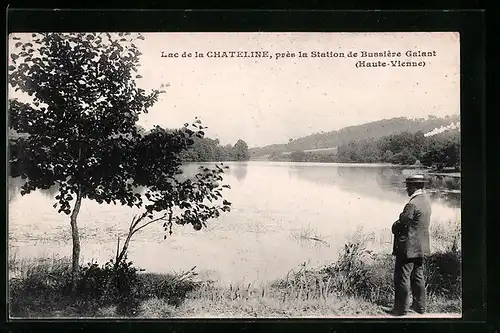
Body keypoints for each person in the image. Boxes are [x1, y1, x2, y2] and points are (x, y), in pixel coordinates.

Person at [384, 174, 432, 316]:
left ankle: (401, 309)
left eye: (408, 186)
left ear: (414, 186)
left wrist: (395, 225)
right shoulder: (426, 202)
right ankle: (419, 307)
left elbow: (403, 223)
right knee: (418, 276)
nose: (406, 189)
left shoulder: (411, 204)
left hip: (408, 248)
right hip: (421, 246)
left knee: (402, 277)